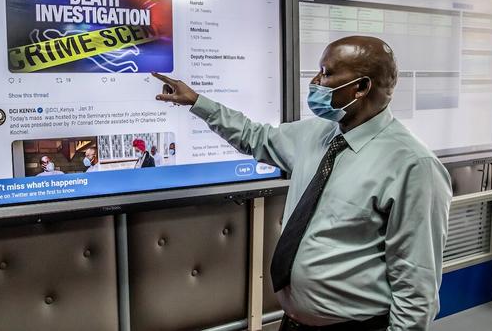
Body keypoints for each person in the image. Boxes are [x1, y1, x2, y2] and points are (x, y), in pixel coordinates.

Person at [152, 36, 452, 331]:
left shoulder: (413, 166)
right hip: (294, 322)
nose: (316, 81)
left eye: (327, 73)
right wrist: (197, 102)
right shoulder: (318, 133)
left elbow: (416, 286)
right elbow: (254, 136)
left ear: (361, 87)